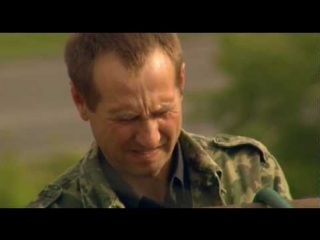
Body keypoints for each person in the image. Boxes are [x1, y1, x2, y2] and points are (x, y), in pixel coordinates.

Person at [27, 33, 292, 208]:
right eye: (126, 118)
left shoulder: (250, 171)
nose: (150, 137)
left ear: (181, 82)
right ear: (80, 101)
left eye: (162, 112)